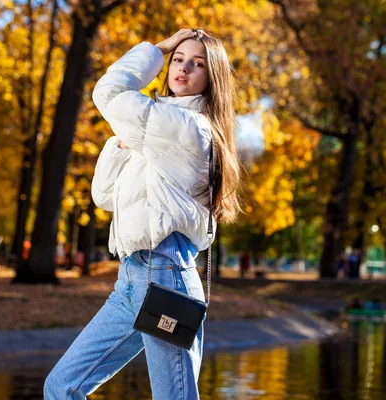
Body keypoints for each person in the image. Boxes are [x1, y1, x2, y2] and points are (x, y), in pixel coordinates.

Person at [43, 28, 241, 400]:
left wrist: (159, 48)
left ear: (211, 79)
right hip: (132, 279)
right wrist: (120, 140)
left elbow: (108, 93)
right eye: (177, 59)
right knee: (61, 386)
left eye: (196, 64)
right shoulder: (154, 129)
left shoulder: (189, 127)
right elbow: (104, 196)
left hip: (166, 274)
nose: (182, 68)